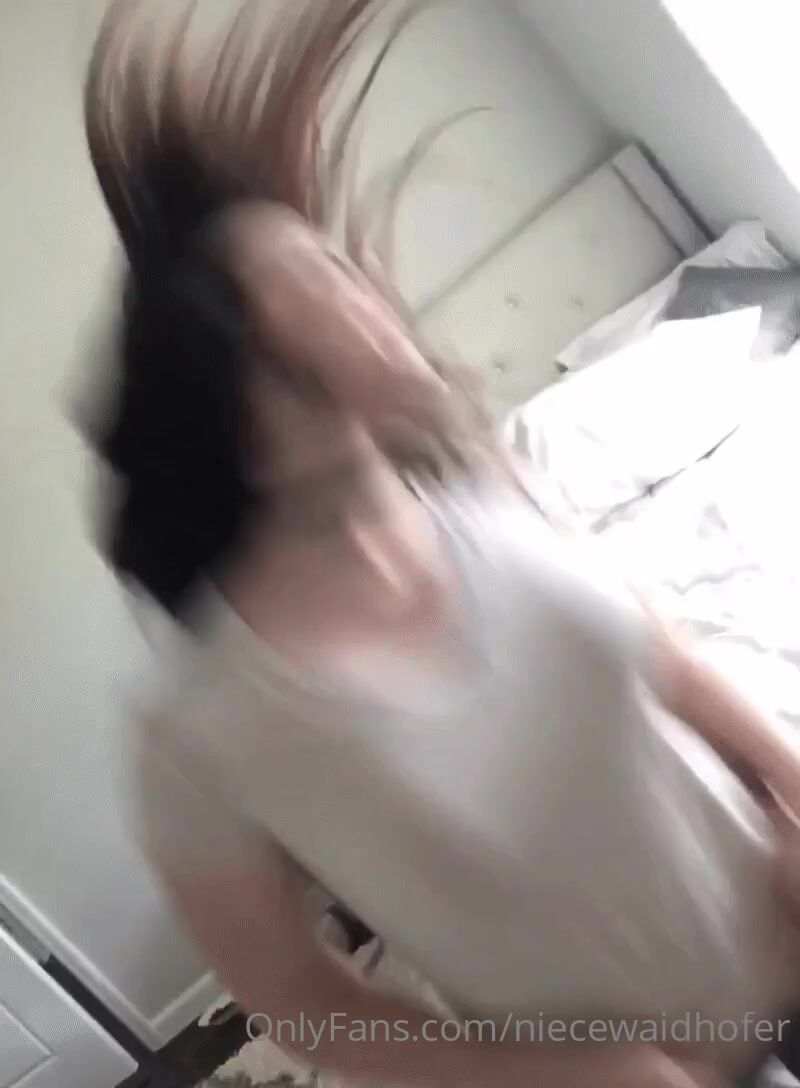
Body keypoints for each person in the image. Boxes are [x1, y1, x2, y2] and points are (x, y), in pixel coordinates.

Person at [83, 3, 800, 1087]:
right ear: (252, 420)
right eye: (319, 289)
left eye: (341, 268)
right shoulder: (200, 736)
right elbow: (299, 1000)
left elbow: (663, 654)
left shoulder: (481, 481)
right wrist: (549, 1073)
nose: (373, 294)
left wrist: (789, 785)